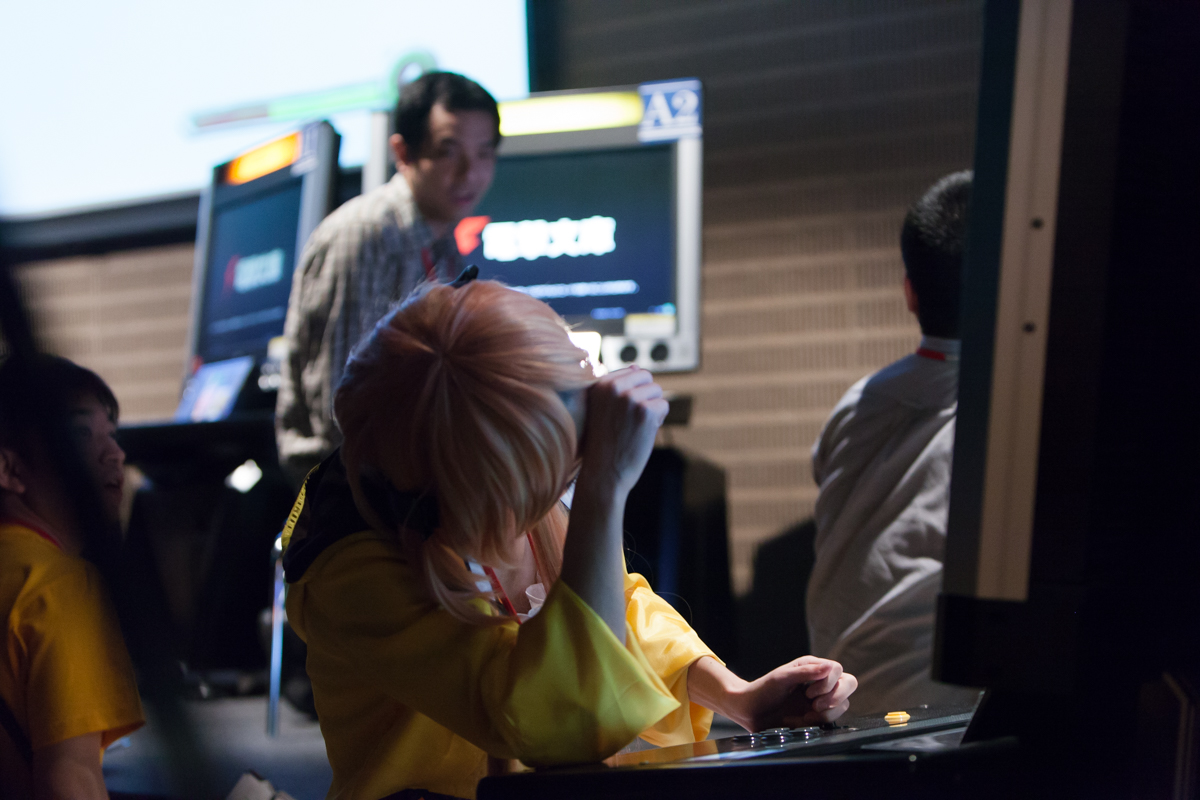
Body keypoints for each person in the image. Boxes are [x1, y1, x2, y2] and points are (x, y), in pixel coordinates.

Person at [282, 279, 857, 800]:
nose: (569, 480)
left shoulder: (494, 486)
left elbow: (619, 606)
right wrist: (605, 487)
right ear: (495, 471)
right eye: (561, 465)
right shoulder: (353, 568)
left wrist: (738, 696)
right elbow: (556, 723)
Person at [806, 171, 981, 714]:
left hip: (839, 706)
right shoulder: (1019, 411)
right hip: (949, 725)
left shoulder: (854, 405)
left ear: (909, 292)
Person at [276, 71, 501, 485]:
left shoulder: (443, 241)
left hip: (405, 475)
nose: (470, 173)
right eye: (448, 151)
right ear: (403, 152)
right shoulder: (364, 235)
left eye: (485, 154)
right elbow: (339, 413)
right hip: (350, 489)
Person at [0, 355, 145, 798]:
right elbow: (69, 777)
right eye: (79, 434)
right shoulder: (62, 587)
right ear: (10, 469)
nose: (114, 454)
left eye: (112, 435)